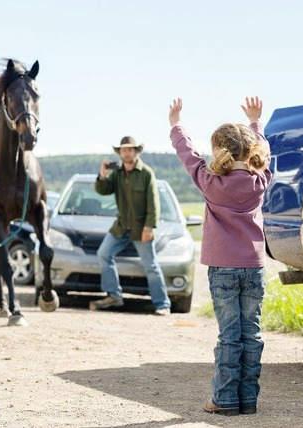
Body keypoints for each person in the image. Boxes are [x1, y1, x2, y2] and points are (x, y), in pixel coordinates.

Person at [168, 97, 271, 416]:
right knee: (251, 333)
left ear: (220, 152)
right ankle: (248, 399)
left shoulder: (210, 183)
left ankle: (225, 399)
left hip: (223, 269)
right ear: (251, 151)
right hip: (254, 268)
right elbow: (266, 156)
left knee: (230, 334)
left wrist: (176, 125)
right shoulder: (260, 181)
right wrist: (256, 123)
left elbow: (187, 155)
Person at [91, 136, 172, 316]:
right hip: (121, 227)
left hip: (141, 228)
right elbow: (103, 190)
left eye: (130, 149)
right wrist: (102, 175)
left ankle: (162, 304)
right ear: (120, 153)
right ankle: (114, 296)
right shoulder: (117, 174)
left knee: (150, 265)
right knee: (103, 254)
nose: (126, 152)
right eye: (123, 150)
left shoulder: (146, 173)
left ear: (135, 152)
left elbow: (154, 204)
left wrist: (149, 227)